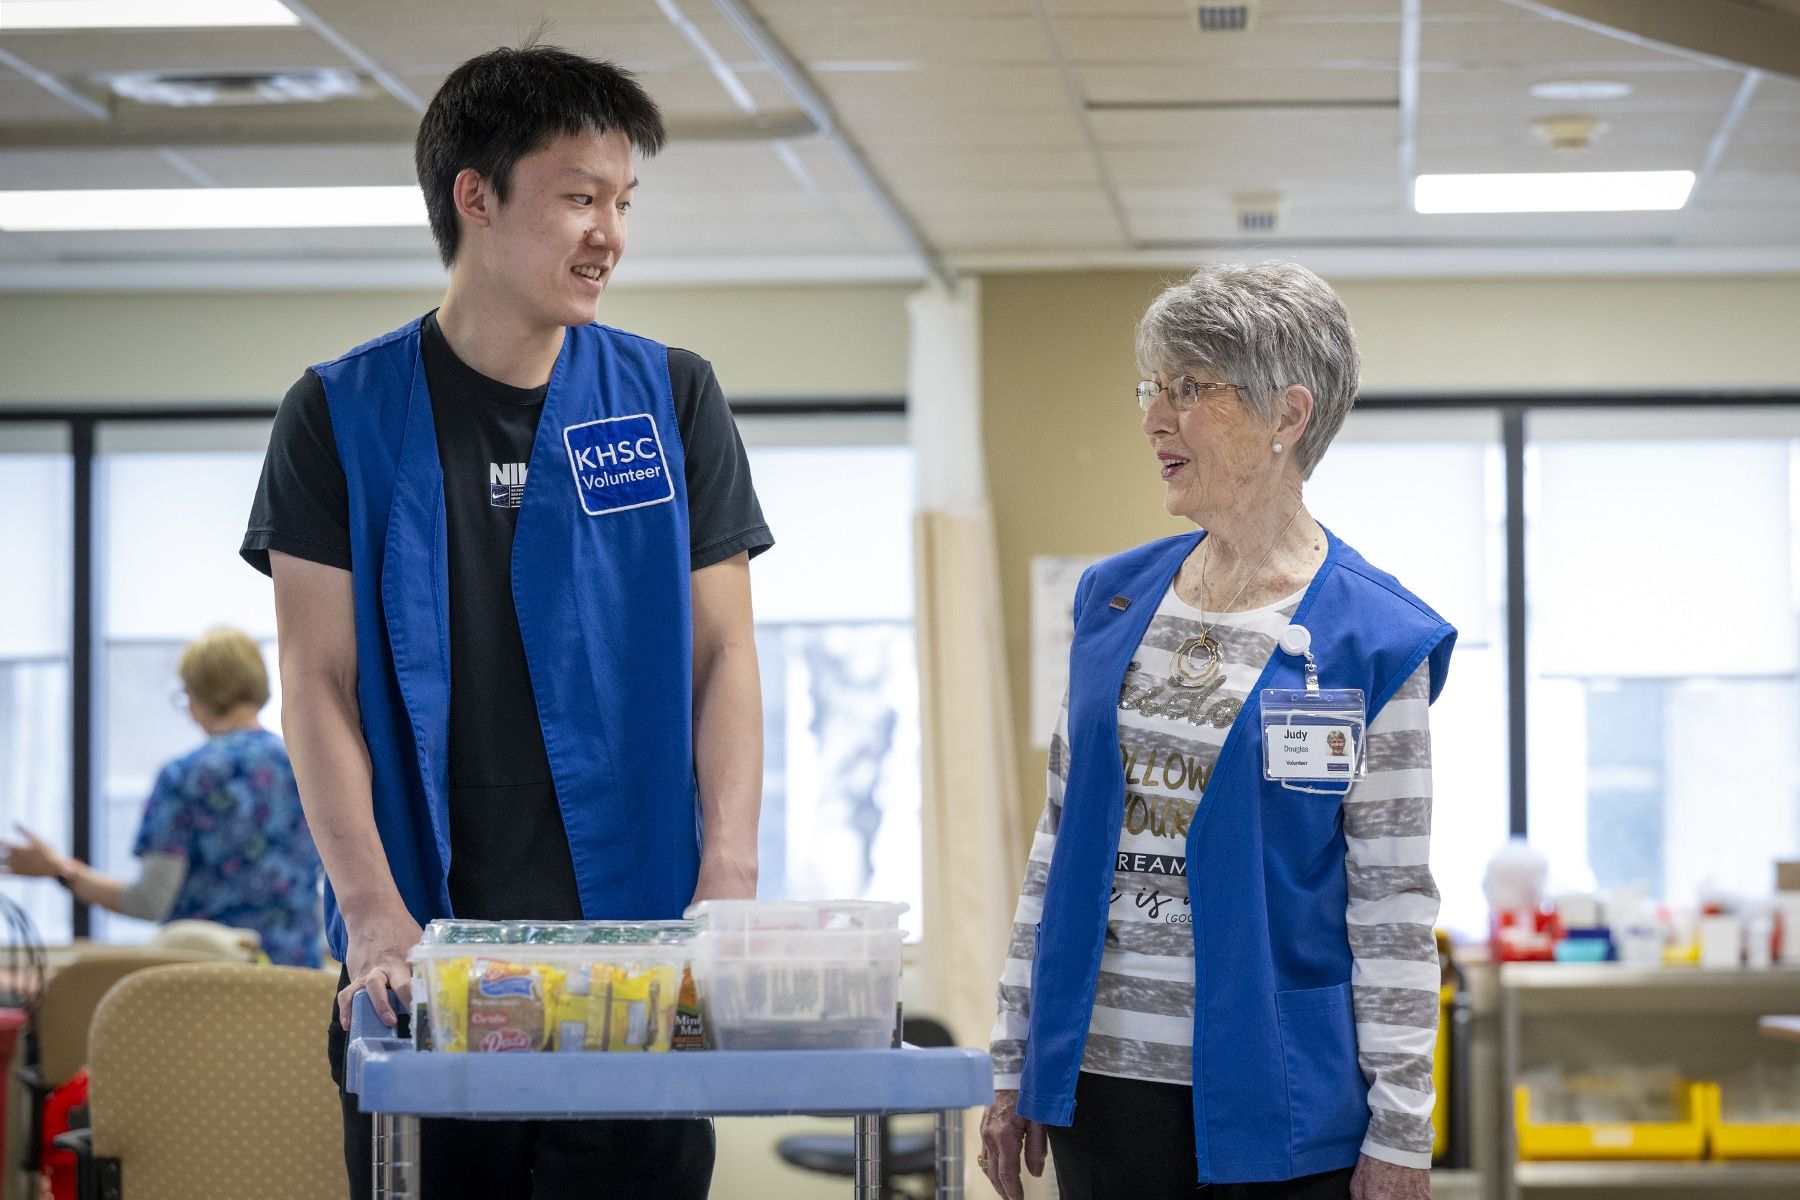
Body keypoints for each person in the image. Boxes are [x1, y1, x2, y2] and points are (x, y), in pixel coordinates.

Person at [239, 43, 770, 1200]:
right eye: (579, 196)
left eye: (623, 202)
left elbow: (725, 652)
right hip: (428, 965)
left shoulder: (670, 398)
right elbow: (315, 682)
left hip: (634, 965)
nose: (610, 234)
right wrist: (372, 916)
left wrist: (728, 870)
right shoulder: (339, 414)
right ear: (475, 197)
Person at [981, 262, 1454, 1200]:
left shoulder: (1375, 638)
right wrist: (1013, 1057)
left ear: (1287, 416)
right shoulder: (1113, 599)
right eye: (1153, 388)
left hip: (1276, 1095)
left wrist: (1404, 1126)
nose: (1156, 418)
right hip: (1100, 1083)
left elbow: (1394, 902)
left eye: (1191, 390)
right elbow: (1059, 838)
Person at [2, 627, 322, 968]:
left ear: (200, 694)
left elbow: (149, 901)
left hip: (215, 983)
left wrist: (59, 870)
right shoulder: (309, 767)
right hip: (297, 979)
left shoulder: (185, 776)